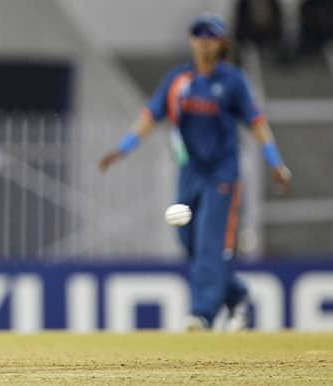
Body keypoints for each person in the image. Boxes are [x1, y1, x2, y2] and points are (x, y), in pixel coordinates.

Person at [98, 14, 291, 331]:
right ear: (191, 41)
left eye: (210, 36)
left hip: (222, 175)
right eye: (198, 35)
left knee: (208, 243)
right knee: (187, 239)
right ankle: (237, 295)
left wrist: (276, 163)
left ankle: (202, 314)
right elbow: (150, 115)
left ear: (221, 43)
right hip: (190, 174)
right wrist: (122, 148)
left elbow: (257, 124)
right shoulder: (178, 81)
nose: (203, 41)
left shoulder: (233, 82)